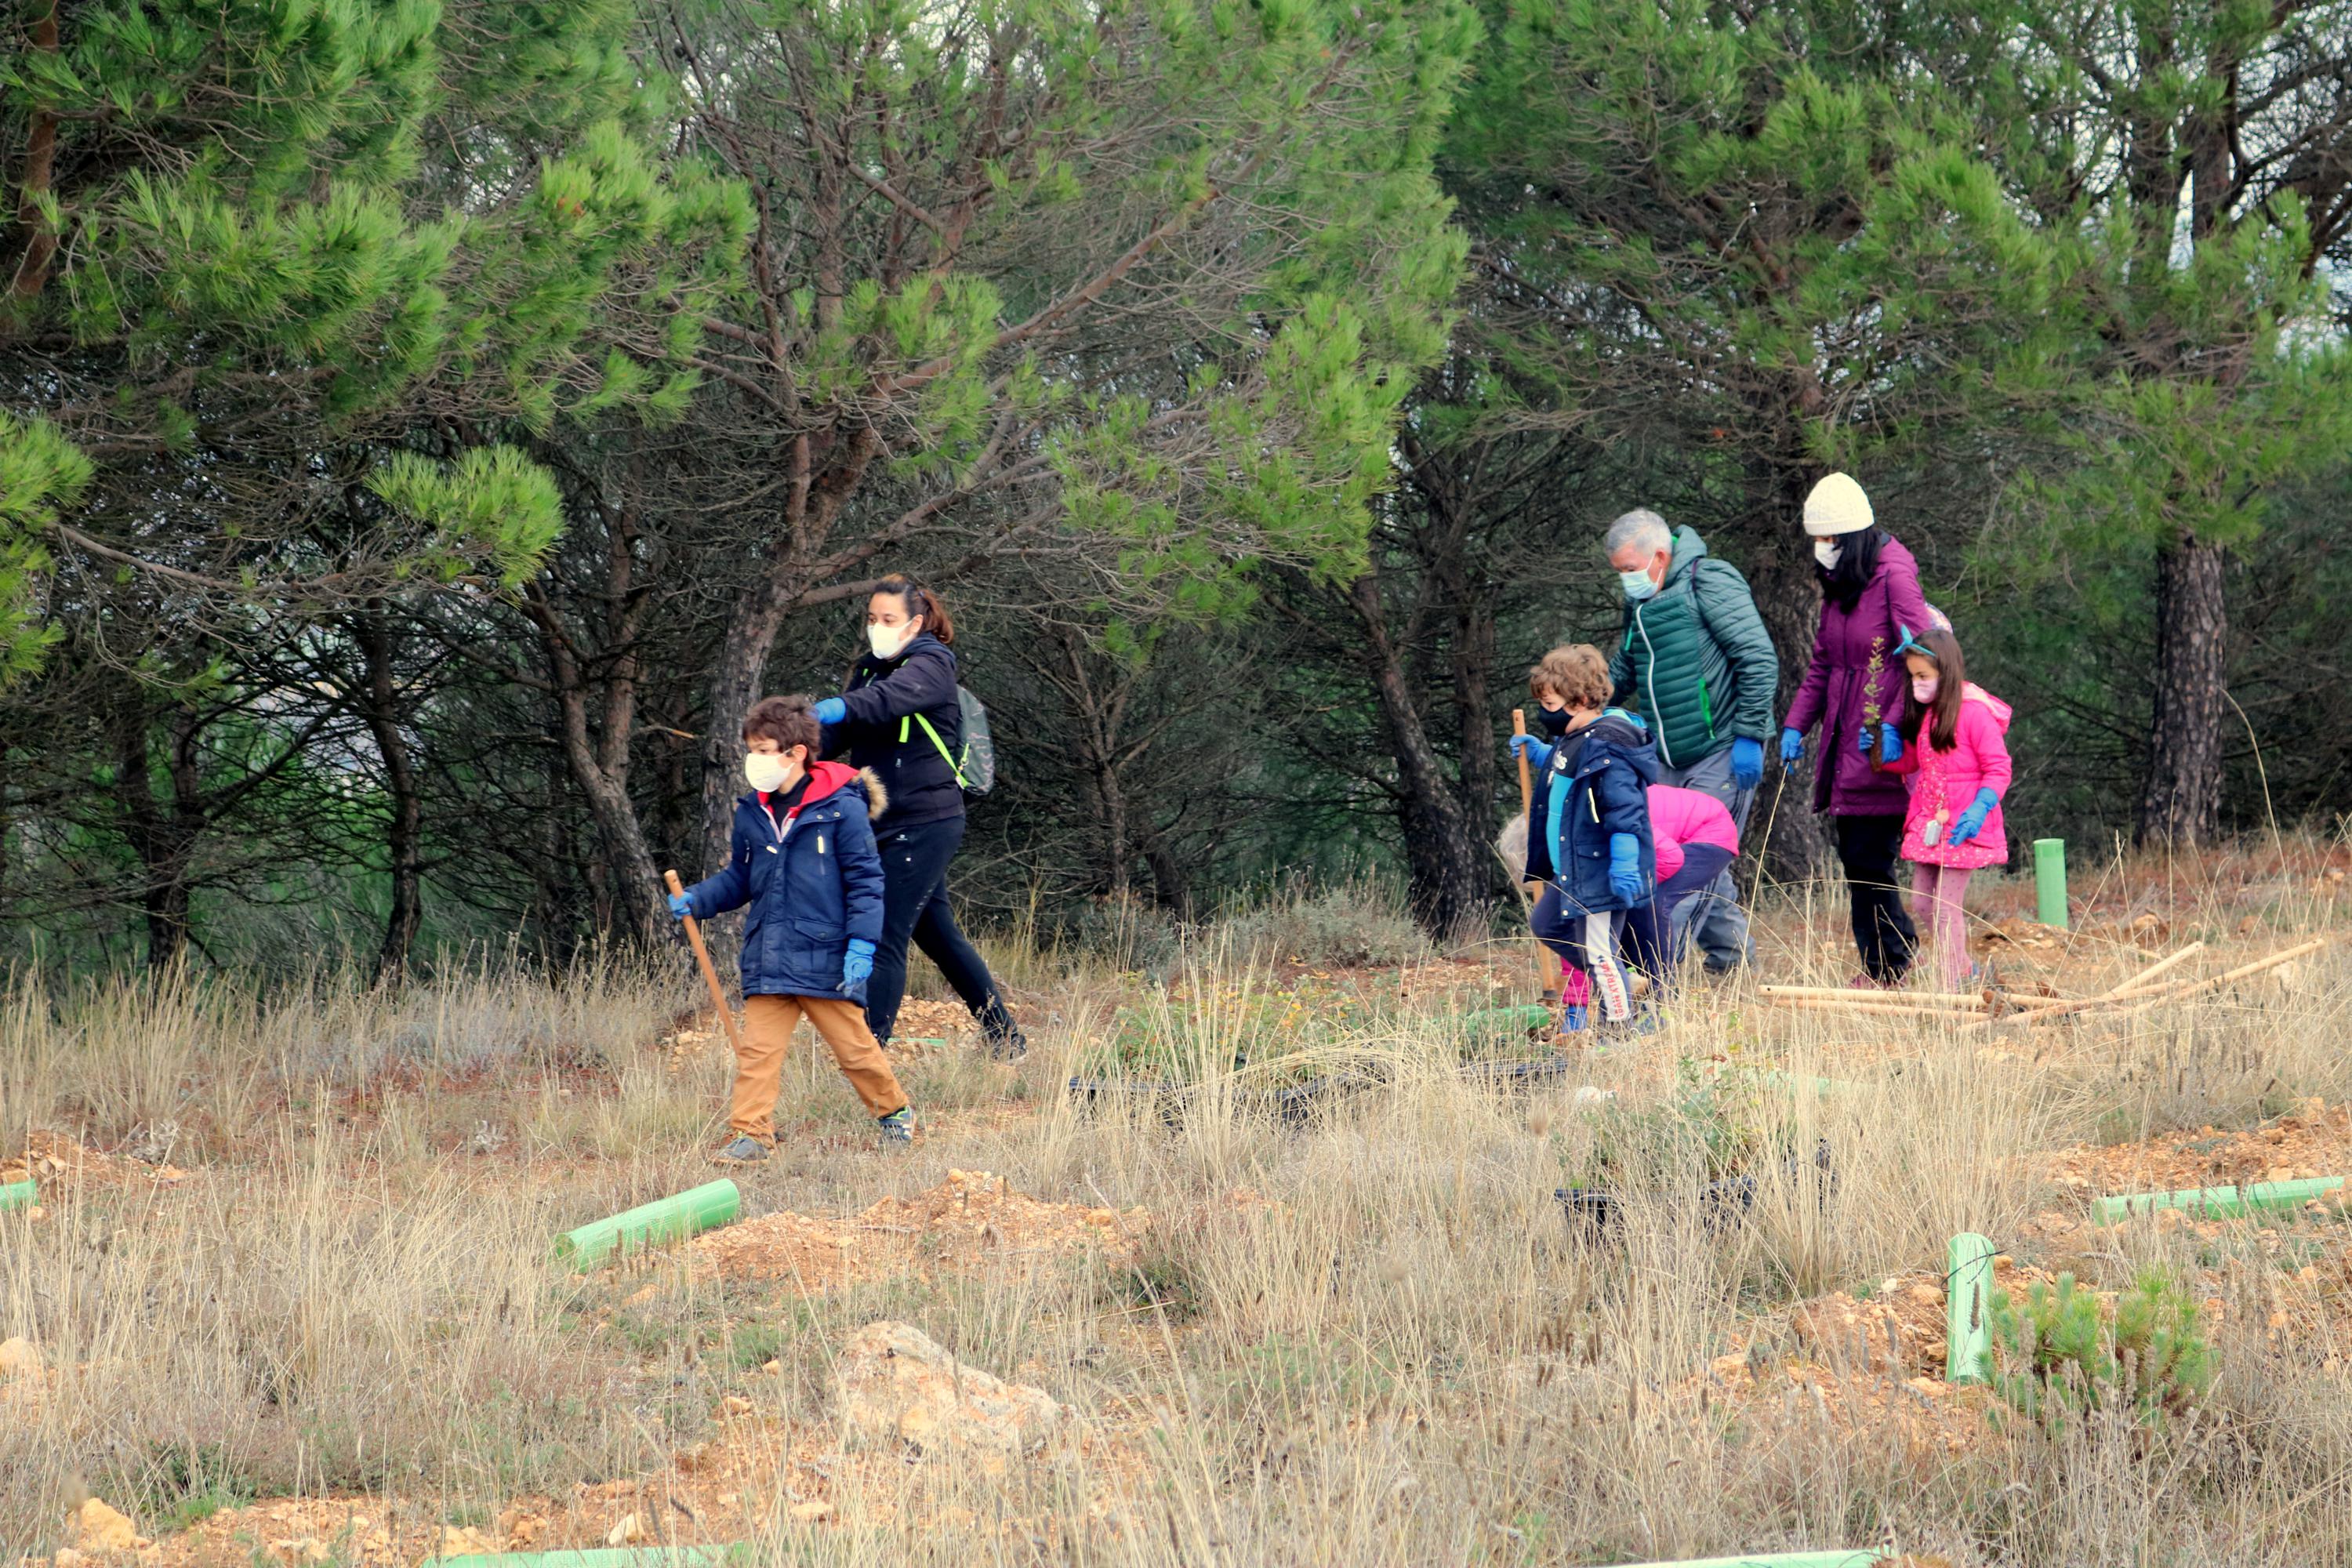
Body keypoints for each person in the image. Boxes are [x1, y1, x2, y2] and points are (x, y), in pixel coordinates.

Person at [669, 695, 915, 1158]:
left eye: (764, 750)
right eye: (752, 749)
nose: (754, 760)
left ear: (796, 753)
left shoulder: (842, 809)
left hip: (827, 957)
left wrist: (862, 944)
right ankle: (752, 1134)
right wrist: (697, 899)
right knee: (757, 1055)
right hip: (770, 953)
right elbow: (740, 878)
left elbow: (867, 880)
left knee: (855, 1051)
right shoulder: (751, 812)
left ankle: (894, 1112)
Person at [814, 579, 1026, 1057]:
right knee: (937, 933)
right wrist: (796, 750)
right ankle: (1006, 1039)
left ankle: (870, 1063)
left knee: (883, 933)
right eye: (872, 619)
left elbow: (886, 702)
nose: (877, 629)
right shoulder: (869, 670)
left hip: (927, 820)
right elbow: (841, 733)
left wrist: (837, 705)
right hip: (881, 822)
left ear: (915, 623)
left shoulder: (932, 665)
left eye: (888, 620)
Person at [1778, 472, 1937, 988]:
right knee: (1857, 856)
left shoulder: (1894, 576)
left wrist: (1894, 726)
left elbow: (1926, 657)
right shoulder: (1843, 581)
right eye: (1817, 541)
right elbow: (1824, 663)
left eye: (1828, 541)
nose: (1821, 550)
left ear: (1852, 539)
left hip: (1884, 743)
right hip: (1847, 737)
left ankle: (1889, 964)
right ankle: (1890, 958)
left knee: (1868, 856)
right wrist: (1796, 726)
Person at [1603, 509, 1778, 973]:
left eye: (1629, 569)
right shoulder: (1640, 603)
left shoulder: (1711, 580)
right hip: (1664, 756)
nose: (1626, 581)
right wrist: (1585, 705)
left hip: (1721, 748)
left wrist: (1749, 735)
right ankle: (1736, 969)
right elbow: (1626, 663)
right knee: (1685, 864)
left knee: (1688, 869)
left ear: (1659, 556)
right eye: (1619, 573)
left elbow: (1757, 658)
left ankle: (1656, 978)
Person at [1512, 644, 1660, 1033]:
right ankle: (1620, 984)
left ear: (1577, 702)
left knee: (1598, 952)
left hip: (1599, 870)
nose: (1545, 711)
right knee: (1547, 925)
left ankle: (1619, 1029)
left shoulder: (1609, 744)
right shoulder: (1575, 738)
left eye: (1550, 703)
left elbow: (1624, 808)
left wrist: (1625, 862)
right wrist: (1541, 754)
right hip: (1572, 868)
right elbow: (1572, 777)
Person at [1867, 624, 2013, 991]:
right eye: (1913, 675)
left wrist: (1979, 808)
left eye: (1923, 675)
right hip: (1933, 824)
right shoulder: (1930, 715)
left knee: (1947, 910)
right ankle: (1964, 970)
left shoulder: (1974, 713)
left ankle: (1950, 989)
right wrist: (1881, 755)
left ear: (1945, 673)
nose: (1917, 683)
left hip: (1965, 825)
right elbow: (1920, 763)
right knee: (1922, 903)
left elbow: (1998, 768)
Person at [1621, 783, 1741, 990]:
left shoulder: (1624, 816)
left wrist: (1643, 889)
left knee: (1653, 902)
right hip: (1678, 829)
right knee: (1632, 901)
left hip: (1712, 833)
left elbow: (1671, 858)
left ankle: (1662, 987)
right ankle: (1632, 977)